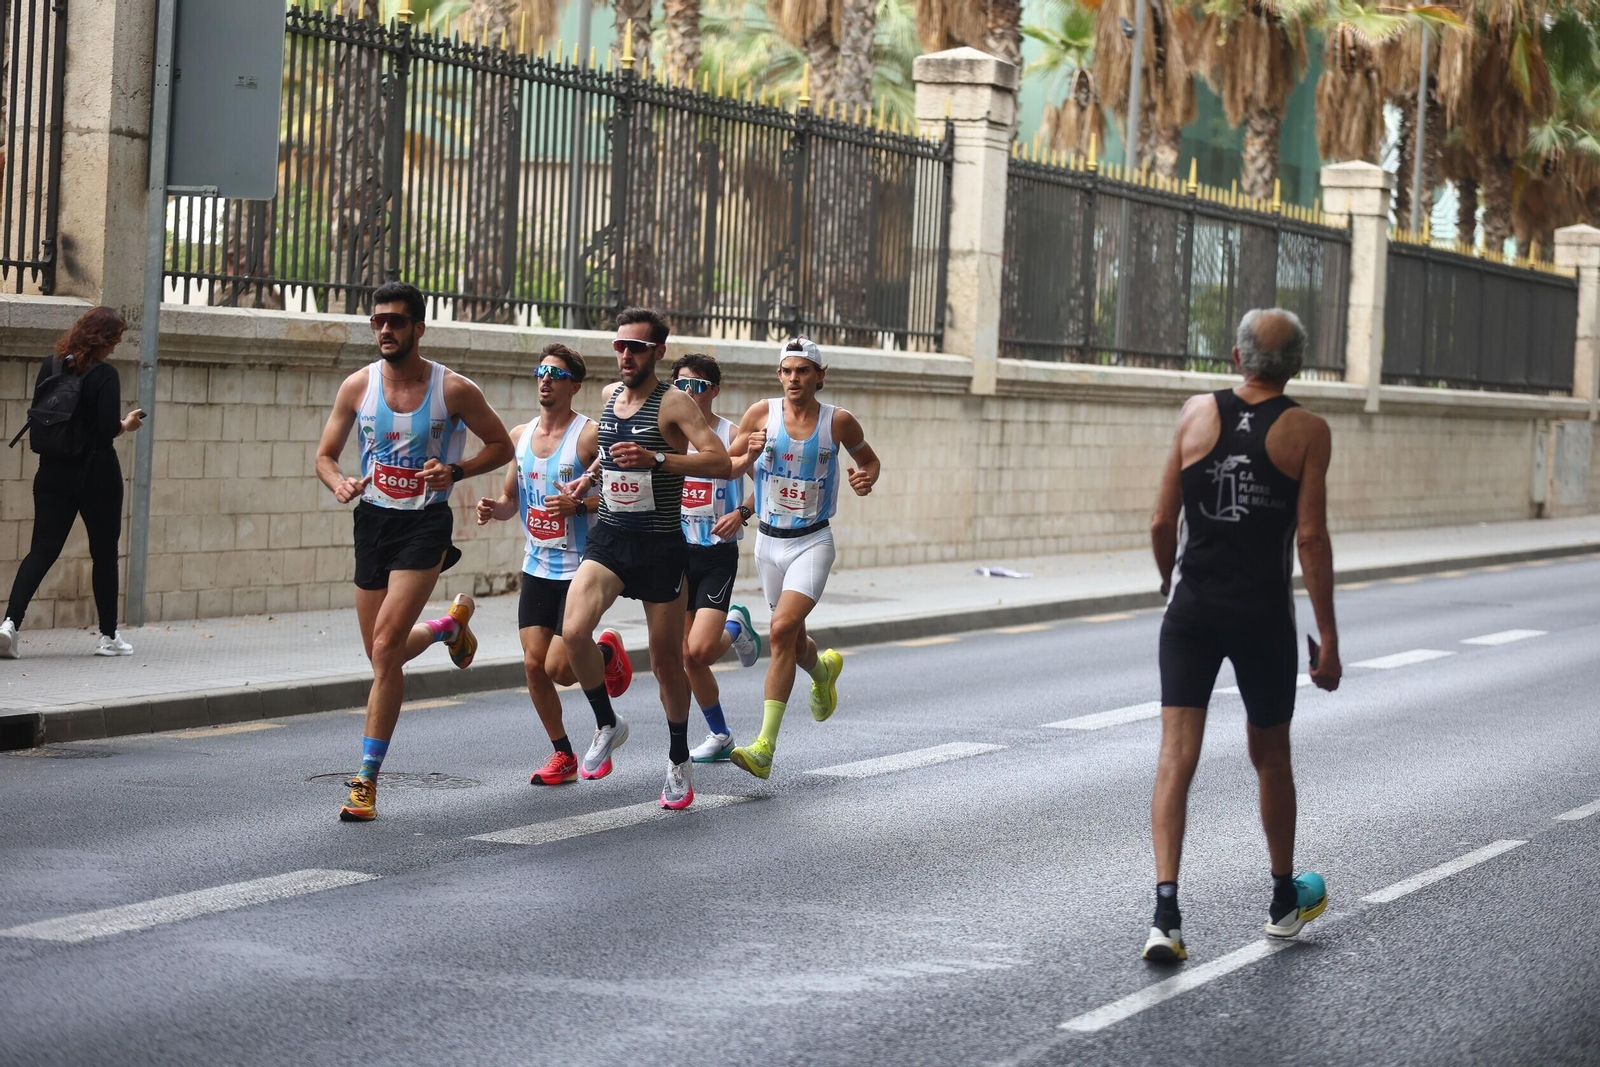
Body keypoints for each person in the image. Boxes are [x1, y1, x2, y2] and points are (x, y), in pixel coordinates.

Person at [1144, 308, 1342, 962]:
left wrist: (1168, 583)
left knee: (1176, 756)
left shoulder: (1195, 412)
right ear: (1299, 367)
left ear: (1237, 357)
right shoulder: (1309, 430)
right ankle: (1284, 900)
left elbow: (1159, 520)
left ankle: (1165, 915)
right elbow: (1309, 536)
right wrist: (1329, 638)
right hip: (1261, 616)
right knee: (1271, 756)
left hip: (1193, 610)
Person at [315, 281, 514, 822]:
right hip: (372, 522)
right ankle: (450, 628)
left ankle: (365, 781)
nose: (385, 329)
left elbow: (502, 445)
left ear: (418, 328)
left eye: (396, 321)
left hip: (425, 524)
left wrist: (455, 470)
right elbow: (325, 455)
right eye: (378, 320)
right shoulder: (358, 387)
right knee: (385, 654)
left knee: (384, 649)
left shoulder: (454, 390)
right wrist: (337, 481)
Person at [557, 308, 733, 810]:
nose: (625, 355)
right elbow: (611, 450)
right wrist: (587, 480)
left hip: (659, 545)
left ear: (657, 351)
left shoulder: (674, 403)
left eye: (635, 347)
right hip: (611, 535)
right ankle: (608, 723)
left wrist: (658, 459)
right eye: (619, 346)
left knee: (666, 665)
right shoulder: (611, 397)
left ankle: (678, 760)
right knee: (572, 632)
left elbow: (718, 459)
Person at [474, 343, 633, 786]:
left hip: (581, 567)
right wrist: (495, 508)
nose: (545, 379)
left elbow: (622, 496)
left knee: (560, 668)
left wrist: (579, 509)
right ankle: (562, 754)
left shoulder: (589, 436)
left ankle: (604, 652)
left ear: (574, 386)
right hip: (537, 567)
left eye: (555, 374)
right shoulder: (521, 435)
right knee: (532, 666)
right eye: (540, 371)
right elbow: (512, 498)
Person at [727, 337, 880, 780]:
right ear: (779, 375)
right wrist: (748, 453)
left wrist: (864, 479)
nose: (794, 378)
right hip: (768, 543)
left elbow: (869, 461)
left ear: (819, 376)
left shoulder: (839, 423)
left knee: (779, 632)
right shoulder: (760, 414)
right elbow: (730, 465)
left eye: (803, 371)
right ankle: (823, 670)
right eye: (787, 371)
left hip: (812, 543)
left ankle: (764, 747)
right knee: (793, 643)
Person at [1, 306, 145, 659]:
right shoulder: (105, 375)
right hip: (96, 473)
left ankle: (8, 625)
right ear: (104, 340)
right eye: (116, 339)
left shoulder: (51, 365)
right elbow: (106, 427)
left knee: (42, 549)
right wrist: (127, 424)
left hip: (51, 471)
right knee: (104, 552)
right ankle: (109, 637)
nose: (116, 346)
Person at [670, 353, 762, 764]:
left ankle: (736, 623)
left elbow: (765, 485)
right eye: (681, 385)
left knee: (702, 651)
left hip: (716, 554)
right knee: (685, 656)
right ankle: (721, 734)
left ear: (715, 391)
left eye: (698, 386)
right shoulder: (666, 433)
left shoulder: (731, 434)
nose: (689, 393)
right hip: (675, 552)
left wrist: (741, 512)